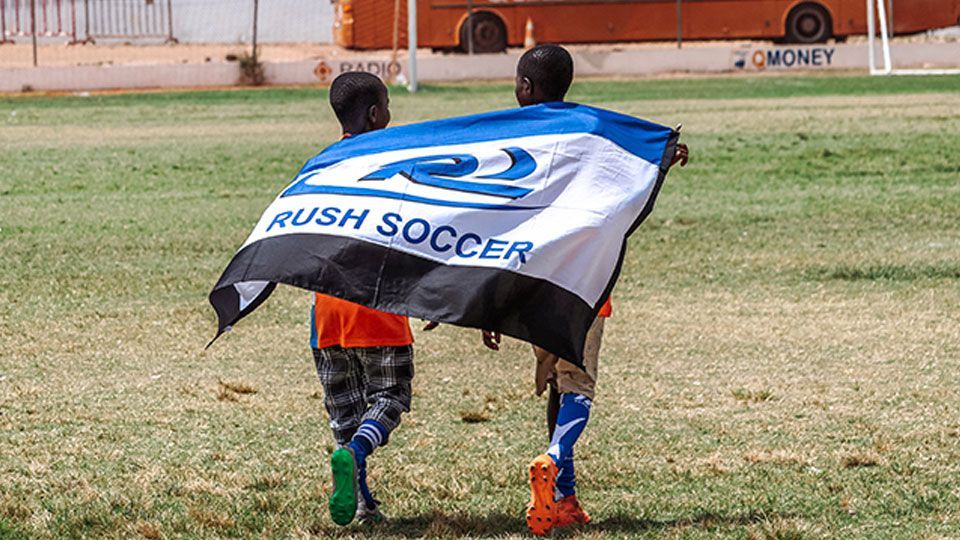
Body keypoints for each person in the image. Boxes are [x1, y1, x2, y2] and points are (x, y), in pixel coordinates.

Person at [508, 44, 689, 536]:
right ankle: (555, 459)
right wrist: (662, 157)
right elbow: (622, 176)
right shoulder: (588, 131)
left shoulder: (508, 136)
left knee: (554, 383)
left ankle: (564, 499)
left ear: (525, 88)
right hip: (583, 285)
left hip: (530, 285)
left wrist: (492, 303)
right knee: (578, 385)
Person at [312, 71, 413, 526]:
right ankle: (357, 452)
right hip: (379, 306)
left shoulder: (319, 166)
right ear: (376, 114)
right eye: (388, 105)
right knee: (389, 398)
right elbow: (416, 236)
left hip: (328, 313)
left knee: (344, 415)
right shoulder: (397, 166)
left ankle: (361, 504)